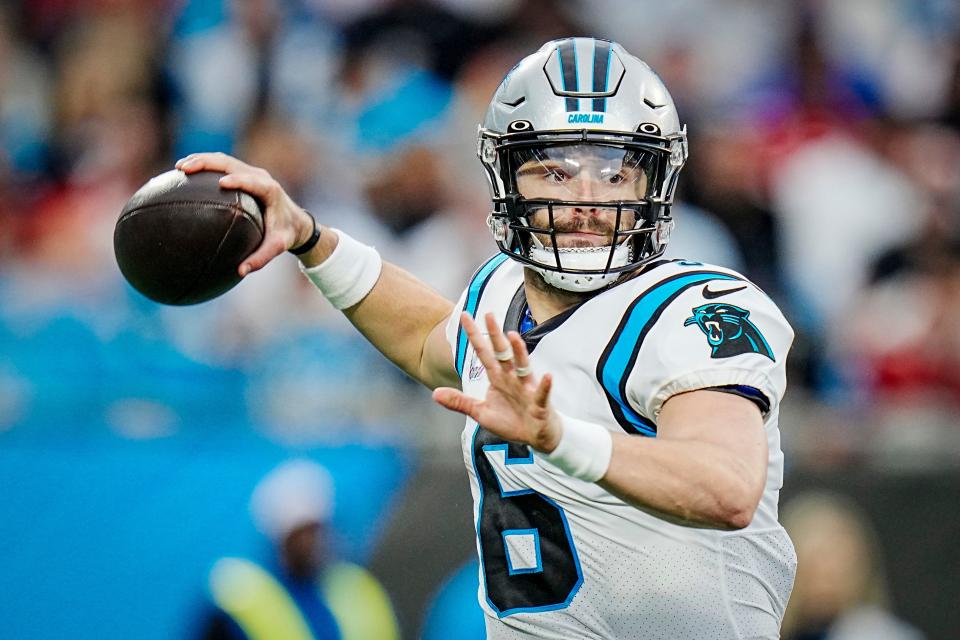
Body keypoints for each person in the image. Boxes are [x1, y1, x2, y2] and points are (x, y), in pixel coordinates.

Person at [178, 37, 797, 639]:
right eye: (554, 171)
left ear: (654, 185)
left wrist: (560, 438)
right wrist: (310, 237)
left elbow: (726, 486)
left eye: (614, 173)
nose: (585, 201)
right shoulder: (501, 290)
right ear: (506, 178)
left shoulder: (696, 310)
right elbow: (428, 338)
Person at [198, 459, 399, 640]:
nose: (314, 541)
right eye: (304, 533)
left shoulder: (356, 591)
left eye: (319, 530)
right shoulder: (240, 594)